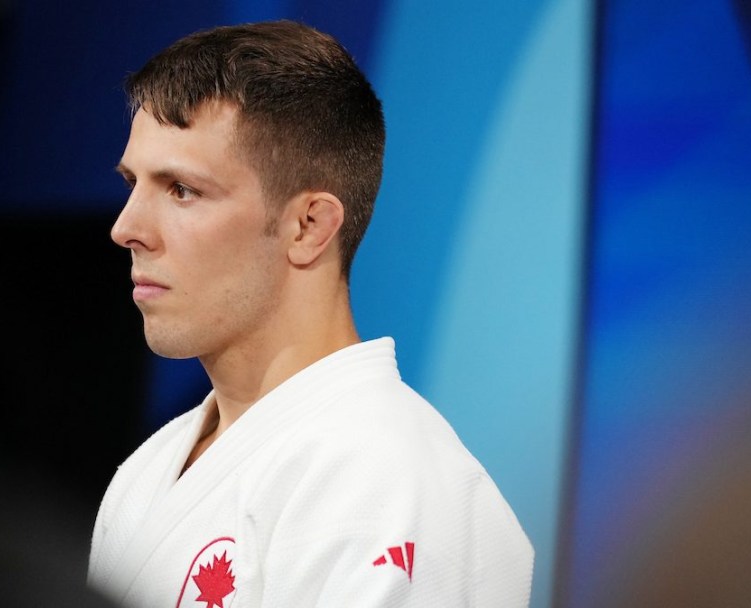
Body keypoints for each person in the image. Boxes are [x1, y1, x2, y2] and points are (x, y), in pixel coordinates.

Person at [88, 20, 533, 607]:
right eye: (131, 183)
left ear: (309, 226)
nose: (126, 228)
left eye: (181, 190)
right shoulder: (144, 476)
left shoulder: (393, 484)